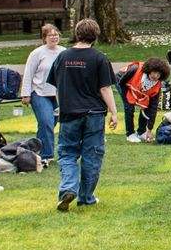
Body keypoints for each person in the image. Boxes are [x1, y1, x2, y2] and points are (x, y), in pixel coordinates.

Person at [49, 18, 119, 212]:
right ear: (95, 36)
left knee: (67, 153)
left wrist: (60, 106)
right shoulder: (99, 58)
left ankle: (68, 188)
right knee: (92, 155)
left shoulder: (62, 57)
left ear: (77, 34)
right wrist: (114, 112)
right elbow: (104, 88)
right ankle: (86, 197)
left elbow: (56, 86)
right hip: (94, 113)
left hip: (69, 112)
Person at [18, 24, 62, 157]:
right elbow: (28, 74)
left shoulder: (63, 52)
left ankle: (35, 150)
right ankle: (46, 155)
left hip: (58, 95)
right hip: (40, 93)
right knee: (46, 122)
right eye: (51, 35)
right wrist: (25, 94)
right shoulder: (37, 53)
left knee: (49, 124)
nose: (54, 37)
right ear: (44, 38)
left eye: (56, 34)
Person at [116, 57, 171, 143]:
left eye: (159, 74)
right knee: (129, 107)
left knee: (146, 106)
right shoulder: (135, 69)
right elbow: (122, 83)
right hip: (122, 82)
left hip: (138, 88)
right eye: (154, 72)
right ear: (149, 70)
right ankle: (130, 134)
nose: (156, 76)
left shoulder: (157, 85)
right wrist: (131, 97)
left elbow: (153, 107)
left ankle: (141, 132)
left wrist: (149, 129)